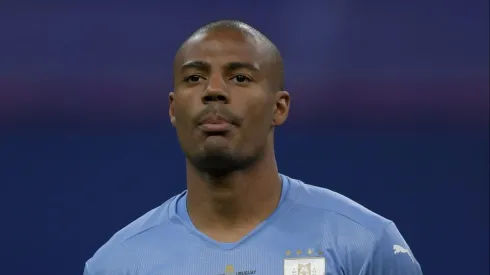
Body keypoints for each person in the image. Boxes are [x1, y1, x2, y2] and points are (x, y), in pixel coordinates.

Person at [83, 20, 423, 275]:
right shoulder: (119, 263)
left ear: (279, 108)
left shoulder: (363, 244)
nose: (213, 90)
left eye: (240, 77)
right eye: (194, 78)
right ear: (173, 109)